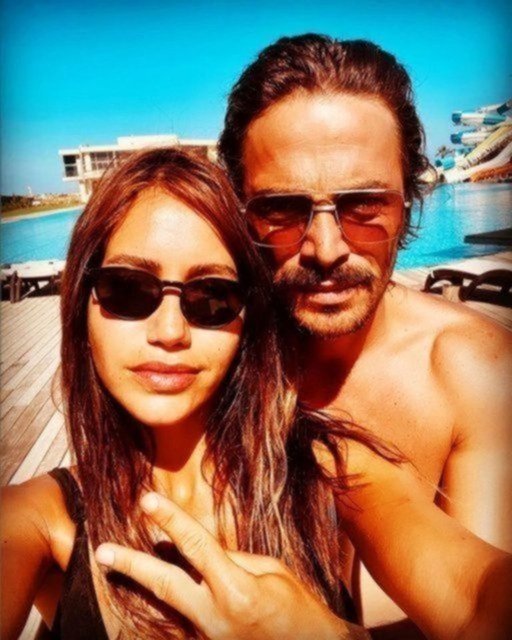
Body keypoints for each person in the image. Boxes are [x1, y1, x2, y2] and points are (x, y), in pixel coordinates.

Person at [1, 148, 511, 640]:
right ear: (82, 305)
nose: (170, 332)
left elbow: (477, 597)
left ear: (247, 319)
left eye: (212, 296)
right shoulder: (39, 518)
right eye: (129, 290)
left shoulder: (330, 470)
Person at [218, 34, 512, 635]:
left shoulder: (471, 369)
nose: (325, 249)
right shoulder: (210, 351)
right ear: (240, 210)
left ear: (410, 204)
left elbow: (482, 602)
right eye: (282, 209)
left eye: (364, 206)